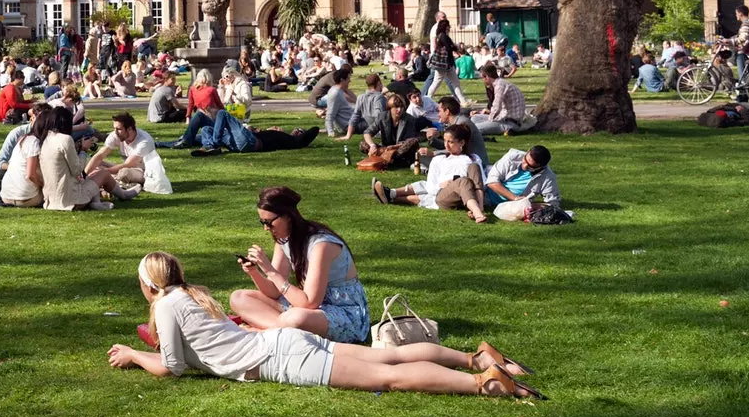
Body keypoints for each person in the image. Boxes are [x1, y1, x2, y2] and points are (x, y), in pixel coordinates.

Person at [109, 252, 542, 398]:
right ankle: (476, 356)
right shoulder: (192, 294)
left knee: (386, 378)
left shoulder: (165, 305)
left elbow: (173, 365)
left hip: (281, 358)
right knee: (385, 356)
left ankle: (485, 384)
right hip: (284, 340)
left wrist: (133, 354)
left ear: (149, 286)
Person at [228, 186, 369, 342]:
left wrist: (270, 271)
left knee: (295, 318)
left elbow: (309, 303)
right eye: (262, 222)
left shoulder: (321, 245)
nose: (265, 228)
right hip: (308, 309)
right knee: (239, 297)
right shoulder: (284, 240)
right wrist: (254, 271)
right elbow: (275, 292)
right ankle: (277, 331)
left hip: (343, 313)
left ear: (288, 216)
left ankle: (265, 332)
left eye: (269, 222)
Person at [373, 124, 490, 223]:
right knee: (459, 182)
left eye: (451, 142)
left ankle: (478, 208)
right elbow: (430, 187)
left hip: (467, 195)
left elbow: (481, 182)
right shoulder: (439, 160)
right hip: (444, 195)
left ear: (462, 143)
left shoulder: (472, 158)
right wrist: (442, 185)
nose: (446, 145)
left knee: (473, 168)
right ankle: (477, 212)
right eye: (445, 141)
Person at [40, 106, 134, 210]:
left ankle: (96, 203)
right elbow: (77, 170)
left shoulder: (46, 139)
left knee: (90, 175)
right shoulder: (65, 139)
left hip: (51, 200)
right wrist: (83, 150)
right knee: (104, 174)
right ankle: (124, 195)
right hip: (71, 199)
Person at [88, 112, 172, 195]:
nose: (115, 132)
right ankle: (115, 183)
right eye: (114, 128)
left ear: (130, 129)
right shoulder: (115, 135)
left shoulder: (144, 141)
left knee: (124, 173)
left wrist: (102, 172)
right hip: (124, 168)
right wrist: (85, 172)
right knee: (95, 163)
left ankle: (112, 183)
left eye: (119, 129)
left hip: (144, 171)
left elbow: (128, 164)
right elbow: (100, 155)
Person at [485, 146, 561, 221]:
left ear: (541, 167)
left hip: (512, 207)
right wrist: (515, 198)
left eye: (530, 166)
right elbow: (491, 182)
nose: (524, 166)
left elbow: (553, 203)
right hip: (485, 194)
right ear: (527, 151)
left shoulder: (548, 177)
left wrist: (531, 206)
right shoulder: (512, 157)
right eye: (525, 160)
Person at [0, 109, 51, 208]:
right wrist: (43, 184)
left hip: (6, 195)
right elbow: (30, 175)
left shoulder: (23, 139)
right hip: (23, 199)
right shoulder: (33, 143)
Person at [470, 65, 528, 138]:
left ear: (487, 77)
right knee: (475, 118)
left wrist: (490, 120)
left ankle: (507, 130)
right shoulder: (500, 83)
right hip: (503, 118)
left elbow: (497, 106)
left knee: (474, 129)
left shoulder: (500, 85)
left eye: (482, 78)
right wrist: (482, 113)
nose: (482, 80)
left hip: (509, 122)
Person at [424, 17, 469, 106]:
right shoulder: (443, 36)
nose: (450, 28)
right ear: (445, 27)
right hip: (444, 64)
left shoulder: (441, 35)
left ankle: (463, 101)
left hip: (446, 64)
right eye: (448, 26)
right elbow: (448, 48)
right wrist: (454, 48)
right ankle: (427, 99)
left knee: (455, 83)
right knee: (437, 82)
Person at [312, 67, 356, 139]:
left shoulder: (339, 90)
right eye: (348, 78)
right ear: (342, 80)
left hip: (353, 121)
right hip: (349, 125)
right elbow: (330, 114)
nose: (350, 81)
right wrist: (330, 132)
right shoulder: (335, 93)